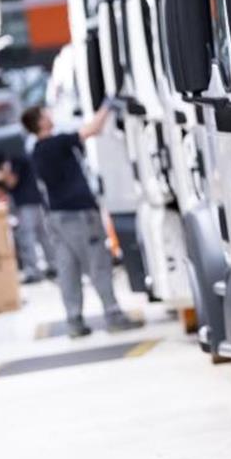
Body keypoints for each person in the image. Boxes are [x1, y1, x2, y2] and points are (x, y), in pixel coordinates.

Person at [22, 103, 142, 338]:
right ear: (40, 122)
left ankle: (74, 322)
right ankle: (113, 315)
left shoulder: (36, 151)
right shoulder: (57, 143)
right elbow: (92, 129)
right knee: (98, 263)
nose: (50, 114)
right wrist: (107, 105)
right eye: (46, 113)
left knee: (68, 269)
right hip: (79, 215)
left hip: (56, 217)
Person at [0, 151, 56, 283]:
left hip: (26, 205)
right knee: (43, 236)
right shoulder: (23, 159)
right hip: (36, 203)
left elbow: (11, 181)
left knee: (27, 238)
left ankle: (33, 271)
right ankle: (53, 265)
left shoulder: (13, 162)